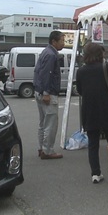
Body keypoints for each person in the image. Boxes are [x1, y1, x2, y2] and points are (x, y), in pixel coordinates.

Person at [76, 43, 108, 184]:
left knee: (93, 144)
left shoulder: (81, 71)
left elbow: (80, 91)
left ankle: (96, 174)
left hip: (89, 111)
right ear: (99, 54)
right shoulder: (105, 68)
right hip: (106, 109)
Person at [33, 30, 65, 159]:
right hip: (48, 93)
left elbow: (38, 72)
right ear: (54, 41)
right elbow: (48, 73)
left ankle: (42, 148)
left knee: (43, 123)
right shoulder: (52, 55)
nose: (63, 43)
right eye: (62, 40)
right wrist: (46, 92)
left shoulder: (45, 52)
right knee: (50, 123)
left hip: (39, 91)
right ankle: (48, 150)